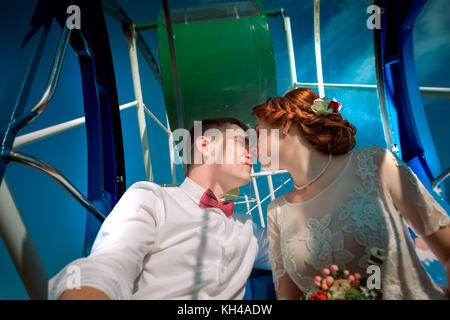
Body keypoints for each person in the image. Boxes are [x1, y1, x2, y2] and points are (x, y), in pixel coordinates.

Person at [252, 88, 450, 300]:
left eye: (257, 133)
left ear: (285, 125)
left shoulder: (373, 164)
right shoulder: (276, 211)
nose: (252, 146)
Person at [48, 117, 270, 300]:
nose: (252, 154)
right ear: (205, 146)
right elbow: (110, 264)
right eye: (242, 142)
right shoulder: (152, 198)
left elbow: (298, 254)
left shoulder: (249, 229)